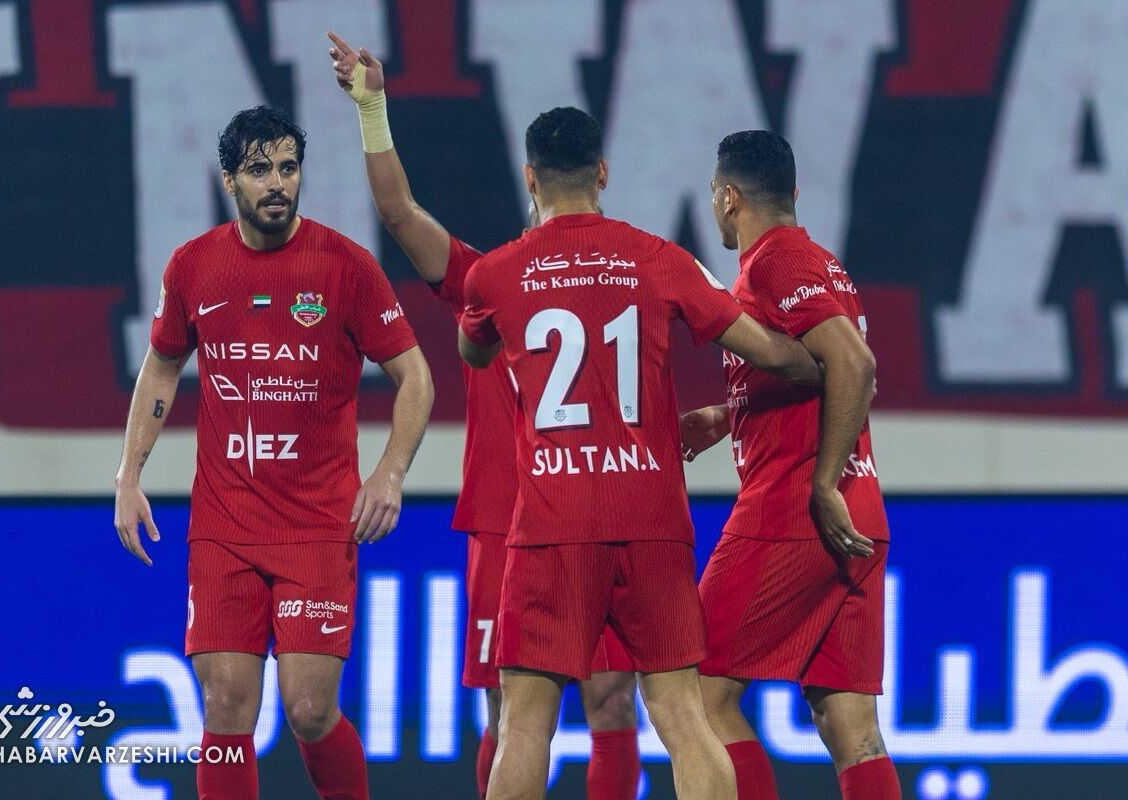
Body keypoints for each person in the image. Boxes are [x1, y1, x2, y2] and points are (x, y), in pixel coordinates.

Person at [459, 106, 822, 800]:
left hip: (553, 523)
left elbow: (473, 350)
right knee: (683, 715)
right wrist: (829, 362)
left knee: (525, 724)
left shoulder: (496, 273)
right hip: (652, 518)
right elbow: (768, 351)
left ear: (530, 177)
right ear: (602, 173)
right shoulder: (659, 259)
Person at [328, 31, 642, 800]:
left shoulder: (621, 275)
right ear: (600, 173)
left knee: (596, 703)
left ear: (530, 177)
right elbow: (399, 215)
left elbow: (399, 214)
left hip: (591, 514)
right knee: (529, 710)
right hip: (522, 519)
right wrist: (372, 114)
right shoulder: (496, 278)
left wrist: (373, 110)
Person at [112, 105, 434, 800]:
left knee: (310, 710)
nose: (278, 183)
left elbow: (416, 375)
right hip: (225, 524)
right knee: (225, 706)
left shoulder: (346, 266)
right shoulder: (194, 266)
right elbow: (162, 366)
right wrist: (128, 475)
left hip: (318, 524)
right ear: (229, 179)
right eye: (259, 170)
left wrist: (390, 473)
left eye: (288, 168)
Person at [683, 130, 899, 800]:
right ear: (793, 192)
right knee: (850, 725)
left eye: (715, 195)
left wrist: (823, 484)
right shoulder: (823, 264)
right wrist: (730, 413)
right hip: (859, 512)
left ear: (728, 197)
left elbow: (855, 365)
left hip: (798, 509)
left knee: (697, 691)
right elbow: (829, 373)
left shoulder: (775, 263)